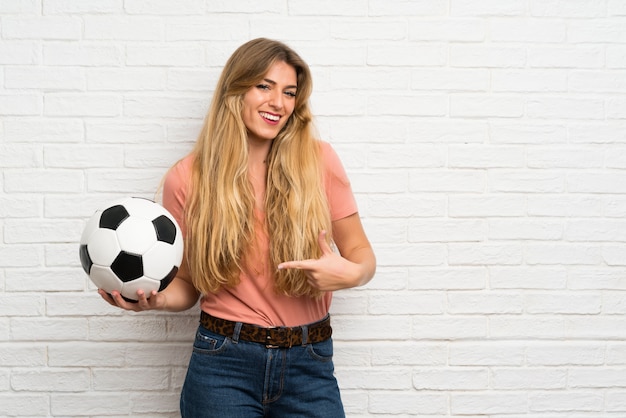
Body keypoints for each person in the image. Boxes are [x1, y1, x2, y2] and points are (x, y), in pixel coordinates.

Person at [99, 38, 376, 417]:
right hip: (223, 363)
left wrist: (351, 273)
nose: (278, 102)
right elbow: (189, 283)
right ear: (236, 89)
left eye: (289, 92)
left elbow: (362, 255)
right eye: (264, 86)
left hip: (310, 363)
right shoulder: (187, 178)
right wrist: (159, 300)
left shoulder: (320, 161)